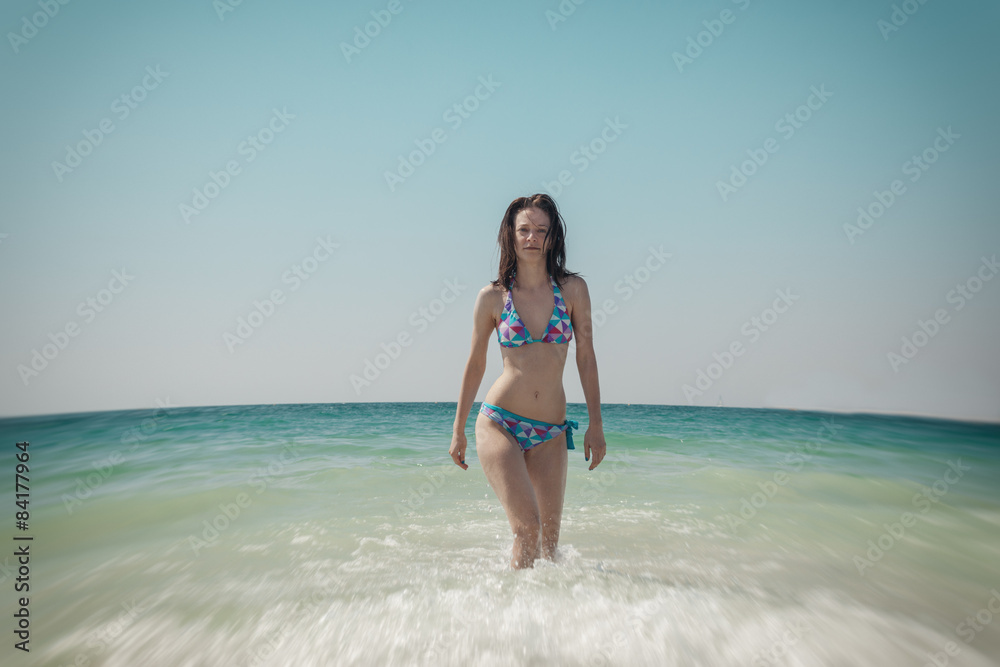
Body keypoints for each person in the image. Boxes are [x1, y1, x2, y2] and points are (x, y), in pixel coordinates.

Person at [450, 193, 607, 569]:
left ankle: (547, 619)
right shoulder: (492, 297)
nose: (532, 237)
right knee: (527, 529)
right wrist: (458, 428)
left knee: (549, 543)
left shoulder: (572, 290)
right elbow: (475, 363)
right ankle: (510, 621)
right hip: (500, 422)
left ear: (553, 237)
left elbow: (585, 357)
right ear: (511, 234)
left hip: (551, 430)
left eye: (541, 230)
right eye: (524, 230)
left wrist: (596, 424)